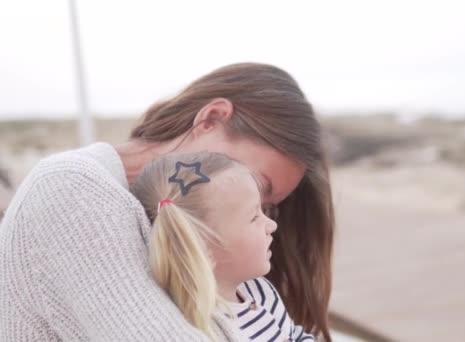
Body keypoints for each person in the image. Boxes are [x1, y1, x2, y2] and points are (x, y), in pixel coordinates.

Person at [0, 63, 334, 341]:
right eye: (257, 183)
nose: (255, 210)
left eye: (265, 206)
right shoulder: (70, 188)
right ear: (212, 118)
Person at [130, 151, 314, 341]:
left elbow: (295, 336)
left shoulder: (257, 289)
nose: (272, 225)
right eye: (254, 217)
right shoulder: (203, 329)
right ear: (202, 248)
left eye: (263, 210)